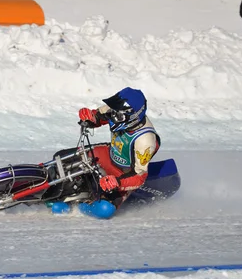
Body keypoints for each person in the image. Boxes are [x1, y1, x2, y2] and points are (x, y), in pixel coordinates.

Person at [51, 87, 160, 219]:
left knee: (104, 210)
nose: (112, 116)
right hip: (108, 154)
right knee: (61, 158)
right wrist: (89, 116)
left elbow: (140, 176)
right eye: (113, 111)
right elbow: (98, 117)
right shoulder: (118, 112)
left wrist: (117, 182)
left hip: (122, 174)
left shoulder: (145, 140)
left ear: (133, 117)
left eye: (117, 115)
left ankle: (76, 205)